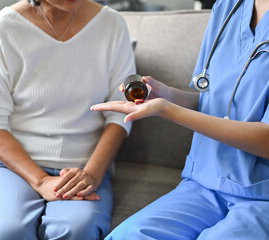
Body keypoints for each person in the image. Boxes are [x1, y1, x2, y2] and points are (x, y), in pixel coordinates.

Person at [91, 0, 269, 239]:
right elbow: (215, 100)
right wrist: (168, 96)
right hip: (205, 182)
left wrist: (168, 110)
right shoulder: (228, 7)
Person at [0, 0, 135, 239]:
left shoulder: (111, 24)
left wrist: (92, 175)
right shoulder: (1, 28)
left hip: (84, 166)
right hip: (12, 166)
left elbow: (121, 112)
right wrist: (41, 180)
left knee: (76, 229)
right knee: (7, 231)